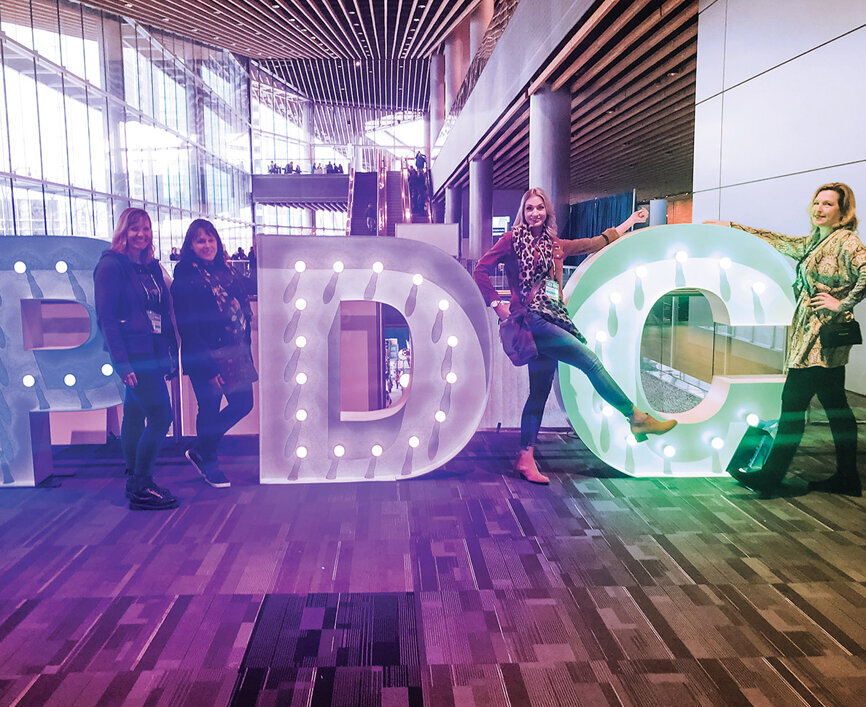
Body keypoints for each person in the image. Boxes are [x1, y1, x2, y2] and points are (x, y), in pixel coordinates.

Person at [474, 187, 676, 484]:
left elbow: (594, 243)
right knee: (590, 361)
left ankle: (525, 457)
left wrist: (630, 221)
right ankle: (636, 418)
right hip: (531, 321)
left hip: (553, 318)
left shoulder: (555, 245)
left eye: (539, 208)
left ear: (547, 212)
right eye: (529, 208)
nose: (534, 213)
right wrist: (497, 304)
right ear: (523, 212)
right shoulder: (511, 240)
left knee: (539, 393)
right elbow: (481, 269)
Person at [707, 183, 865, 497]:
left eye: (829, 204)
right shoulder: (817, 242)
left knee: (793, 405)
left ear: (843, 211)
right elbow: (782, 241)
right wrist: (733, 228)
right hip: (813, 338)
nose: (819, 209)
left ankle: (771, 476)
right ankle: (846, 477)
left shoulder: (847, 241)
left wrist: (842, 304)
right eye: (817, 202)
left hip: (820, 341)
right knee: (835, 407)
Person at [94, 208, 179, 510]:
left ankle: (133, 477)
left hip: (154, 351)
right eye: (134, 229)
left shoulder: (151, 267)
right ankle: (142, 483)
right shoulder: (111, 266)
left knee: (133, 414)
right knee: (161, 417)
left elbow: (162, 312)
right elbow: (106, 318)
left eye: (145, 229)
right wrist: (122, 363)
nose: (140, 235)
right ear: (122, 232)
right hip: (134, 355)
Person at [171, 219, 257, 488]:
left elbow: (242, 310)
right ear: (191, 245)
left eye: (211, 240)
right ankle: (209, 462)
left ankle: (200, 448)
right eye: (200, 241)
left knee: (243, 403)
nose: (207, 245)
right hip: (205, 354)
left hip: (235, 352)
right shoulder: (185, 279)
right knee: (208, 408)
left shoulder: (227, 273)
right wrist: (209, 368)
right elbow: (189, 329)